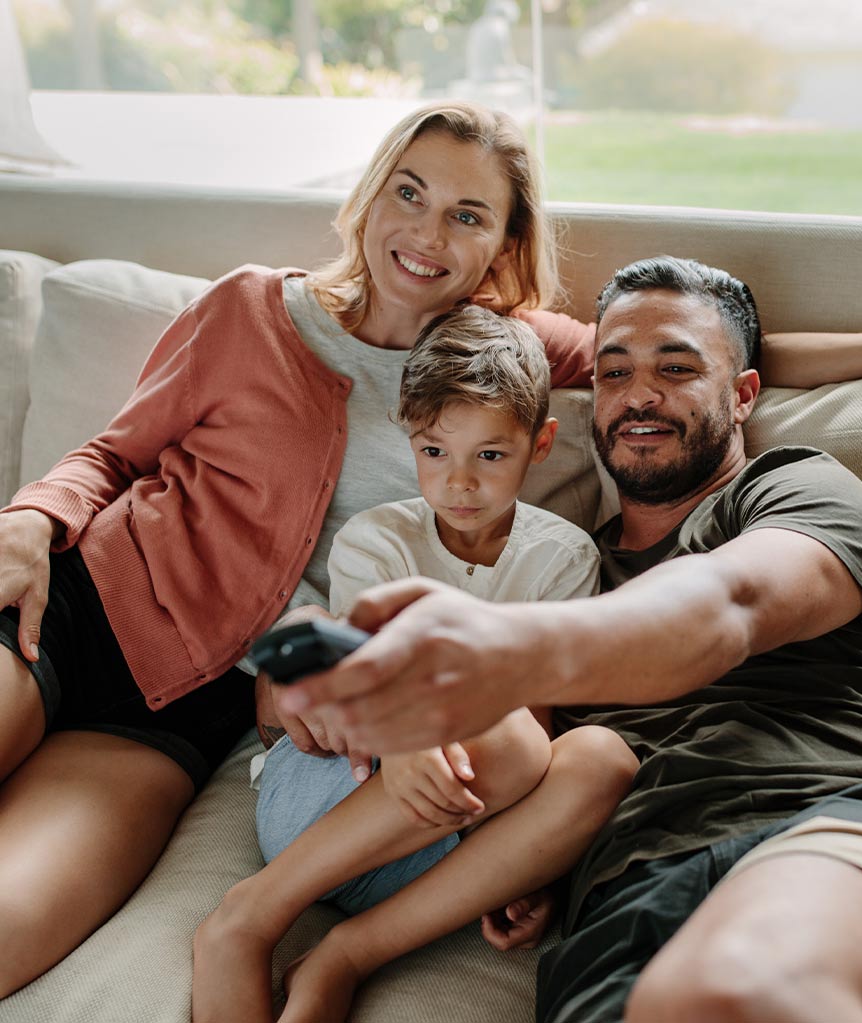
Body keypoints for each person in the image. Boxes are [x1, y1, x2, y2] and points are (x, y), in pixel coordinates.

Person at [0, 95, 862, 995]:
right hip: (75, 608)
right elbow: (113, 452)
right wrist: (28, 522)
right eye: (408, 192)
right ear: (368, 196)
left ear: (500, 246)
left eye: (466, 214)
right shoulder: (250, 310)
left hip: (182, 705)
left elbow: (699, 353)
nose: (427, 232)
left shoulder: (515, 351)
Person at [278, 256, 862, 1023]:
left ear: (742, 395)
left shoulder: (795, 489)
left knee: (734, 988)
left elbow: (725, 605)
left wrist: (502, 644)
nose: (638, 394)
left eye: (676, 367)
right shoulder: (560, 568)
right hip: (619, 903)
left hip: (821, 827)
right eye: (613, 371)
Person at [192, 304, 637, 1022]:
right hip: (334, 794)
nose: (458, 483)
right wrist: (408, 739)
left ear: (541, 442)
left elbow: (535, 738)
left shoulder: (562, 557)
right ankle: (248, 916)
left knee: (602, 758)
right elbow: (369, 684)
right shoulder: (377, 540)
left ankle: (346, 953)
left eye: (489, 455)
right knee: (489, 720)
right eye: (435, 452)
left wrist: (529, 862)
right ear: (410, 442)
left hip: (447, 836)